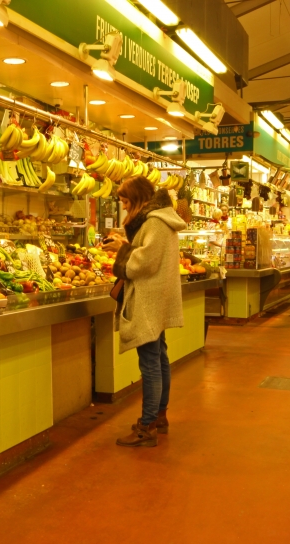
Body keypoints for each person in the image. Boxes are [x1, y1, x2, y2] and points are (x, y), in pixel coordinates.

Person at [108, 176, 186, 448]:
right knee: (159, 356)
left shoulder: (154, 222)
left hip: (148, 297)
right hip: (157, 295)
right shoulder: (160, 219)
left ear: (139, 199)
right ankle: (159, 416)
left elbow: (144, 262)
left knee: (150, 361)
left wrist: (122, 251)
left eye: (127, 201)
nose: (125, 207)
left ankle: (147, 425)